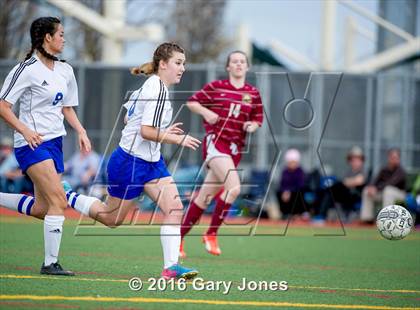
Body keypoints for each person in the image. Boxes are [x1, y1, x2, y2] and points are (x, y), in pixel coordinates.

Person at [62, 42, 201, 279]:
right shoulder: (156, 89)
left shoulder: (152, 86)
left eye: (183, 64)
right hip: (130, 163)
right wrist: (173, 138)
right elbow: (145, 131)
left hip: (151, 163)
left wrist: (163, 130)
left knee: (175, 208)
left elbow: (129, 119)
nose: (182, 68)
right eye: (178, 63)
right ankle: (69, 195)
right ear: (163, 64)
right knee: (111, 218)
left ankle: (170, 268)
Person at [0, 17, 91, 276]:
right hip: (31, 144)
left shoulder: (65, 70)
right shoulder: (26, 69)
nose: (64, 38)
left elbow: (66, 107)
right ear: (47, 38)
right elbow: (3, 106)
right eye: (60, 34)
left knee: (44, 207)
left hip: (55, 143)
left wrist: (81, 131)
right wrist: (25, 130)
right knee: (59, 200)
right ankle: (50, 263)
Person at [180, 50, 263, 257]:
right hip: (217, 143)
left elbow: (257, 119)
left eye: (242, 61)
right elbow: (192, 102)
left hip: (235, 149)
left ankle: (177, 239)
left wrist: (252, 126)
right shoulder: (217, 87)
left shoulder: (252, 93)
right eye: (234, 61)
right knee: (233, 188)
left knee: (204, 198)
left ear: (247, 67)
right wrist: (207, 112)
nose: (238, 64)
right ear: (228, 67)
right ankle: (211, 234)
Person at [313, 146, 366, 223]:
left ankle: (322, 215)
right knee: (327, 191)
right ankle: (320, 215)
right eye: (352, 160)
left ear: (361, 161)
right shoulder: (349, 172)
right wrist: (347, 182)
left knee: (332, 189)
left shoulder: (363, 171)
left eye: (357, 160)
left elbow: (359, 181)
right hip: (344, 194)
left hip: (354, 195)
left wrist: (347, 182)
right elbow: (346, 182)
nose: (354, 162)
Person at [360, 148, 406, 224]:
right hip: (384, 193)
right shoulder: (384, 169)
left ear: (399, 159)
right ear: (389, 158)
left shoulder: (401, 171)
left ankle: (386, 220)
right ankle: (367, 220)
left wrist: (377, 188)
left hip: (400, 194)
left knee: (388, 190)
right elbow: (375, 181)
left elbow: (391, 183)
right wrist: (372, 188)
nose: (394, 160)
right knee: (366, 190)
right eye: (392, 157)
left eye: (396, 158)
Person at [276, 149, 306, 220]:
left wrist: (289, 191)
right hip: (286, 193)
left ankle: (297, 213)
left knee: (298, 193)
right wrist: (285, 191)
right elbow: (282, 184)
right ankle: (285, 213)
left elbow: (300, 185)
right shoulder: (285, 171)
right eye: (290, 162)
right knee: (278, 192)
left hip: (296, 193)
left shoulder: (300, 172)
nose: (292, 164)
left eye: (293, 162)